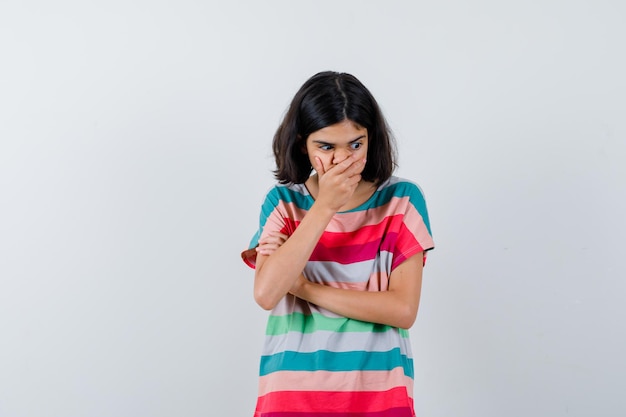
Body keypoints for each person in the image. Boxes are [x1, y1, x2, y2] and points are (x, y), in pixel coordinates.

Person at [241, 71, 435, 417]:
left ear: (370, 139)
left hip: (378, 398)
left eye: (355, 144)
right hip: (291, 397)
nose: (342, 160)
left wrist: (303, 288)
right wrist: (325, 206)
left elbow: (403, 311)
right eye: (326, 146)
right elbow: (267, 293)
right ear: (303, 144)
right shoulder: (283, 203)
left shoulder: (402, 201)